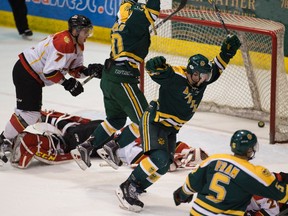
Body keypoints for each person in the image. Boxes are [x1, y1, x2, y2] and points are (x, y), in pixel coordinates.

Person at [113, 34, 241, 212]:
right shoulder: (175, 76)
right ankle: (127, 186)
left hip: (171, 129)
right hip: (155, 120)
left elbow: (217, 69)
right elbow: (156, 71)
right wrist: (154, 66)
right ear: (192, 73)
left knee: (164, 166)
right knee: (159, 159)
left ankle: (138, 187)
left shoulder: (201, 80)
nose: (204, 80)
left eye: (206, 76)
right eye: (201, 76)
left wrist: (226, 53)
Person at [0, 14, 103, 165]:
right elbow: (50, 71)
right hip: (27, 73)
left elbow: (74, 69)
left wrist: (88, 72)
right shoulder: (64, 43)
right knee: (29, 114)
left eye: (89, 31)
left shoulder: (77, 46)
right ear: (75, 31)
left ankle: (6, 138)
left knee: (27, 113)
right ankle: (4, 140)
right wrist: (67, 83)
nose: (87, 34)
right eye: (85, 31)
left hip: (29, 74)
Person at [71, 0, 161, 170]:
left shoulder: (121, 23)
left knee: (116, 119)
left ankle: (86, 147)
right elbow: (153, 10)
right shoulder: (136, 20)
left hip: (109, 77)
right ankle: (114, 147)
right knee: (144, 121)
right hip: (123, 79)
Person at [173, 129, 288, 216]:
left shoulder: (214, 159)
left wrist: (181, 195)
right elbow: (281, 195)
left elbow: (191, 184)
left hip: (197, 213)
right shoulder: (255, 172)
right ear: (250, 150)